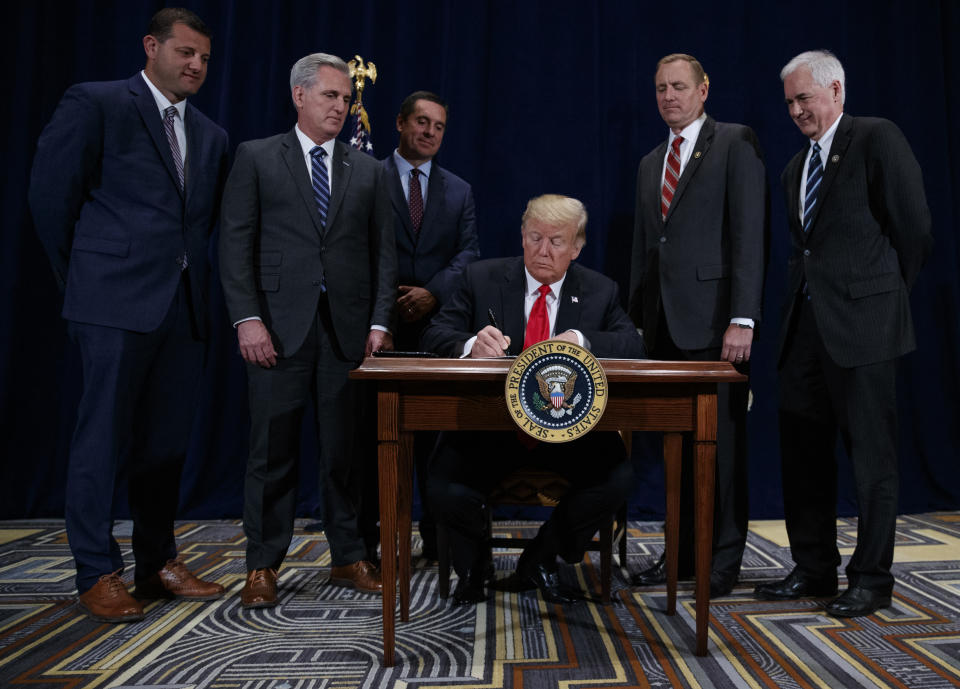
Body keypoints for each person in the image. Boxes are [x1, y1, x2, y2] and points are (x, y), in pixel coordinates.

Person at [28, 8, 229, 623]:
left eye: (204, 58)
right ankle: (96, 570)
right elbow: (49, 197)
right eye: (185, 53)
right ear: (151, 46)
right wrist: (85, 282)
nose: (195, 65)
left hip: (183, 309)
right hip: (111, 304)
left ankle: (157, 561)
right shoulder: (97, 102)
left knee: (165, 446)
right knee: (101, 439)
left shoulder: (213, 136)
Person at [754, 50, 932, 617]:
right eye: (789, 102)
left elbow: (915, 231)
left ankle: (872, 580)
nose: (797, 110)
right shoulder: (793, 170)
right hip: (803, 332)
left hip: (865, 330)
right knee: (803, 455)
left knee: (872, 461)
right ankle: (812, 568)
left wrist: (881, 301)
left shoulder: (877, 138)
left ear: (836, 91)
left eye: (805, 97)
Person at [219, 53, 396, 608]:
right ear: (299, 96)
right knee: (270, 452)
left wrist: (378, 320)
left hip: (345, 333)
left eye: (345, 99)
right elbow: (234, 245)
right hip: (275, 329)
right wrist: (247, 318)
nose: (341, 107)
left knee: (344, 452)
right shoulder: (255, 158)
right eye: (330, 96)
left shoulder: (367, 168)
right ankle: (262, 565)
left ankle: (348, 555)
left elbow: (382, 253)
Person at [421, 194, 646, 605]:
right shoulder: (480, 279)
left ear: (576, 248)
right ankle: (474, 567)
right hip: (491, 428)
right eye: (534, 237)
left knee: (618, 478)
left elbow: (634, 343)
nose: (543, 251)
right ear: (522, 237)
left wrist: (581, 340)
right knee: (442, 482)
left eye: (556, 241)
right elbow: (435, 334)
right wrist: (471, 344)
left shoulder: (599, 291)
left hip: (568, 430)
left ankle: (542, 558)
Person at [628, 54, 767, 597]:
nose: (669, 96)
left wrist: (743, 317)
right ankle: (680, 556)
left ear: (704, 89)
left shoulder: (735, 142)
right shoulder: (648, 163)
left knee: (723, 450)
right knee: (676, 449)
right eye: (660, 87)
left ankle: (721, 562)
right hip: (662, 330)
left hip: (717, 327)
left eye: (679, 86)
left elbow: (749, 235)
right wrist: (635, 326)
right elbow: (645, 251)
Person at [382, 90, 480, 559]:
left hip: (437, 328)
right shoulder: (367, 177)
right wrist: (394, 299)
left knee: (438, 440)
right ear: (400, 123)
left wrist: (432, 293)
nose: (429, 133)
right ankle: (377, 542)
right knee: (379, 440)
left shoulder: (458, 190)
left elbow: (468, 254)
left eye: (438, 126)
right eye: (421, 122)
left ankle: (439, 540)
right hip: (378, 325)